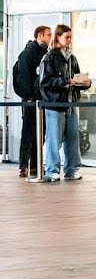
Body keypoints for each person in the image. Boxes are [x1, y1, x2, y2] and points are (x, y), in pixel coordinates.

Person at [38, 24, 91, 182]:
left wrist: (84, 83)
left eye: (70, 37)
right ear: (58, 37)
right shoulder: (49, 58)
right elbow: (45, 82)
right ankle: (52, 170)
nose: (69, 40)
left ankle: (72, 169)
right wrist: (66, 82)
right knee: (54, 139)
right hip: (55, 105)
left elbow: (76, 77)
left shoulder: (72, 58)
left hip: (71, 103)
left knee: (73, 138)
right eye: (66, 37)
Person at [13, 25, 50, 177]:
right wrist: (28, 97)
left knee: (40, 132)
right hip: (30, 100)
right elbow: (23, 77)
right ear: (40, 35)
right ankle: (23, 165)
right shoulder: (27, 54)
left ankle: (35, 165)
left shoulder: (46, 54)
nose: (50, 38)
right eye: (48, 35)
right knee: (28, 132)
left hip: (43, 100)